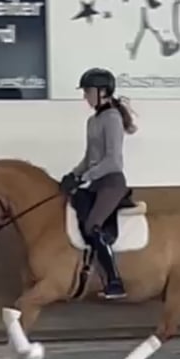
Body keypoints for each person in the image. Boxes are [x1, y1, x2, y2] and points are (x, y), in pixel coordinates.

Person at [59, 67, 138, 300]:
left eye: (88, 91)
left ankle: (114, 281)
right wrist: (73, 175)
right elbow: (89, 157)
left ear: (103, 92)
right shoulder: (93, 120)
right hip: (95, 182)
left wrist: (85, 177)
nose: (85, 96)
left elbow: (113, 160)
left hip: (111, 183)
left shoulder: (112, 118)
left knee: (94, 223)